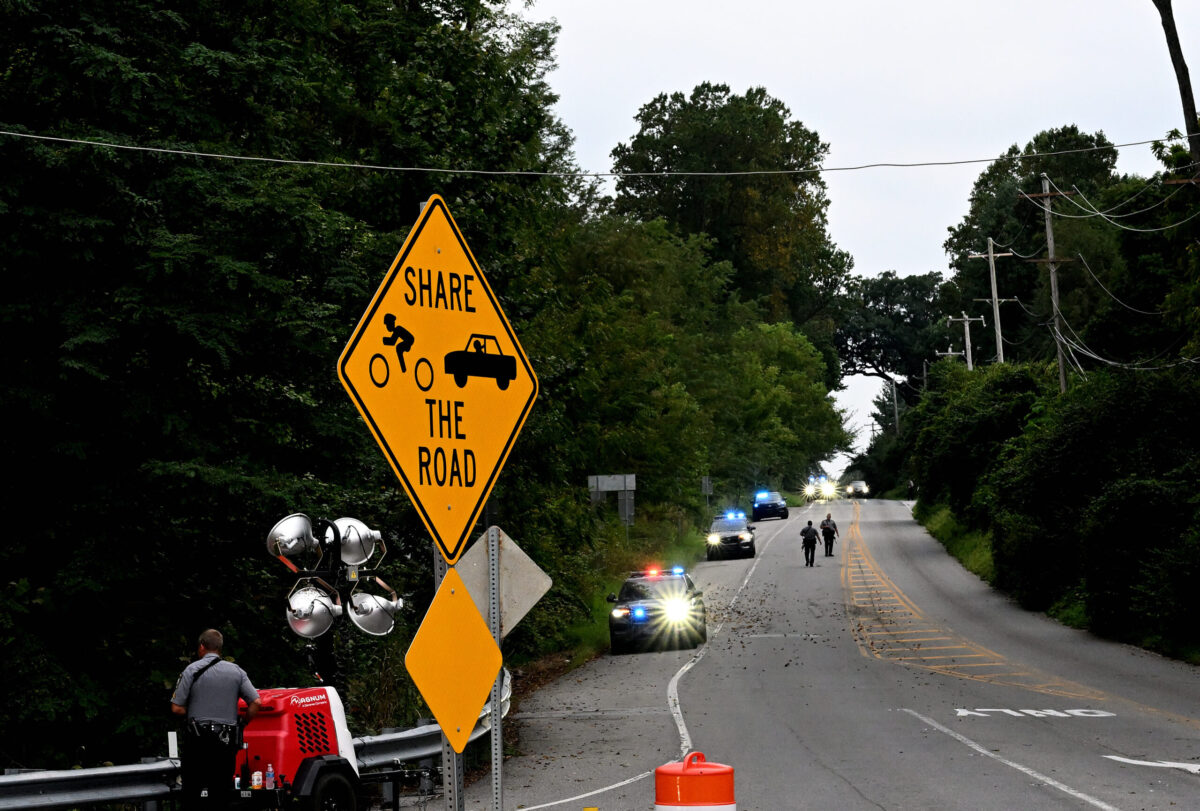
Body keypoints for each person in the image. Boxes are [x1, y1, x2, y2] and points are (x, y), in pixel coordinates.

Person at [172, 629, 261, 809]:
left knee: (192, 793)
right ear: (220, 648)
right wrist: (242, 723)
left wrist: (196, 710)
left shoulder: (191, 670)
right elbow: (256, 702)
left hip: (197, 740)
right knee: (220, 794)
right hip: (225, 742)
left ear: (202, 647)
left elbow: (176, 708)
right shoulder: (237, 671)